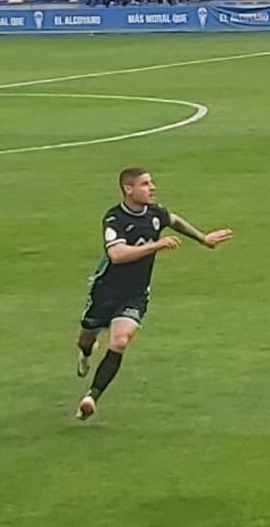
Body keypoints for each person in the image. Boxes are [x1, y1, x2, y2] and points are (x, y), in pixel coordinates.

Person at [75, 168, 234, 421]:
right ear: (129, 189)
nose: (153, 187)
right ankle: (85, 353)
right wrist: (156, 245)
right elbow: (117, 255)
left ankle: (91, 397)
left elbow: (174, 220)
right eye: (146, 184)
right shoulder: (114, 219)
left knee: (120, 342)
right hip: (105, 292)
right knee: (85, 338)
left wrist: (203, 238)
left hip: (135, 295)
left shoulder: (156, 213)